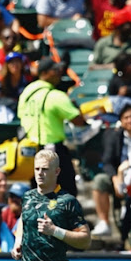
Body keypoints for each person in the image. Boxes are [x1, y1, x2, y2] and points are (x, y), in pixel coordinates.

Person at [18, 57, 86, 197]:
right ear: (45, 73)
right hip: (53, 151)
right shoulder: (56, 96)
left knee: (39, 195)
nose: (59, 73)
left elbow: (20, 115)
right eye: (55, 70)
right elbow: (78, 121)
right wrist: (76, 108)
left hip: (30, 152)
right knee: (67, 195)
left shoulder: (26, 93)